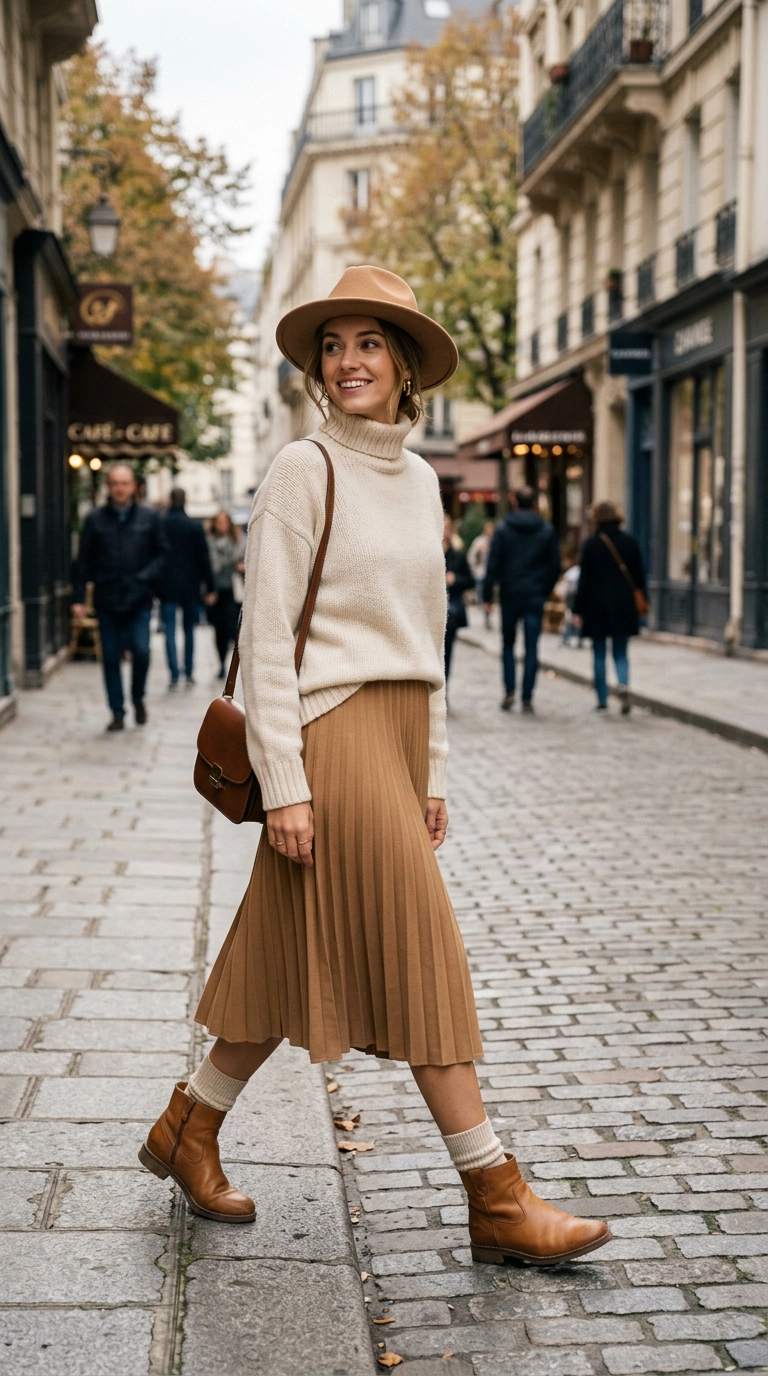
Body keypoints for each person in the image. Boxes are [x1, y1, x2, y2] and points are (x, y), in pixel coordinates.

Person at [139, 265, 610, 1267]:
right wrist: (287, 781)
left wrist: (430, 769)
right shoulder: (303, 469)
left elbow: (425, 638)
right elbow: (266, 637)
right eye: (334, 345)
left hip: (395, 733)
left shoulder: (424, 480)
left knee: (280, 956)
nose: (348, 361)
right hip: (333, 731)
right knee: (424, 946)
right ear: (319, 368)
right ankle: (494, 1191)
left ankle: (188, 1127)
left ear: (404, 366)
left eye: (369, 343)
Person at [72, 463, 167, 731]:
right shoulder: (95, 520)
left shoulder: (149, 517)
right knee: (111, 657)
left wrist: (146, 577)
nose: (119, 489)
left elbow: (162, 554)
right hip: (107, 599)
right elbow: (83, 562)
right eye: (114, 483)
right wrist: (78, 599)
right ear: (108, 487)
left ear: (133, 486)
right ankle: (116, 711)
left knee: (142, 651)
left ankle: (137, 697)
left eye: (124, 483)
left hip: (139, 599)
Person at [483, 487, 561, 714]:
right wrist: (545, 589)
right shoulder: (546, 530)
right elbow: (555, 565)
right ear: (535, 503)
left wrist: (488, 595)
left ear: (515, 502)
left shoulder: (504, 529)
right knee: (532, 647)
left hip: (510, 594)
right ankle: (527, 696)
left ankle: (509, 691)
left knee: (508, 644)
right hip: (534, 595)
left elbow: (493, 563)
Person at [572, 500, 647, 715]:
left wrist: (577, 609)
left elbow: (584, 580)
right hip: (623, 604)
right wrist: (643, 602)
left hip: (596, 605)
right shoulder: (630, 542)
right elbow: (639, 577)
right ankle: (623, 684)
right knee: (621, 651)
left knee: (598, 653)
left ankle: (602, 699)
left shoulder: (591, 544)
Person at [158, 488, 215, 688]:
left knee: (169, 630)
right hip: (190, 585)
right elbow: (204, 558)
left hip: (166, 585)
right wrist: (210, 586)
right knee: (189, 629)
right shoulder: (194, 526)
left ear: (170, 500)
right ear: (185, 500)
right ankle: (189, 672)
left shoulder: (161, 524)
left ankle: (174, 674)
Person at [207, 510, 247, 678]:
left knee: (232, 629)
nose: (221, 525)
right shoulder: (209, 543)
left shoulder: (239, 542)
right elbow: (207, 567)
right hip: (216, 592)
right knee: (219, 632)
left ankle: (234, 664)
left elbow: (248, 562)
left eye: (224, 522)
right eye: (218, 522)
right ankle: (222, 663)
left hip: (234, 591)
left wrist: (242, 567)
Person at [443, 515, 474, 688]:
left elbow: (470, 581)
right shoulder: (426, 555)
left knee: (447, 653)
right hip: (428, 612)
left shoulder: (457, 555)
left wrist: (455, 579)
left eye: (447, 528)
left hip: (451, 611)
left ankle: (444, 689)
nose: (444, 532)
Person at [467, 520, 496, 628]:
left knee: (489, 596)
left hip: (492, 573)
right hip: (481, 572)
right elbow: (471, 557)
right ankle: (484, 612)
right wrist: (479, 553)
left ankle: (487, 614)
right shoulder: (479, 541)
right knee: (482, 594)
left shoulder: (496, 541)